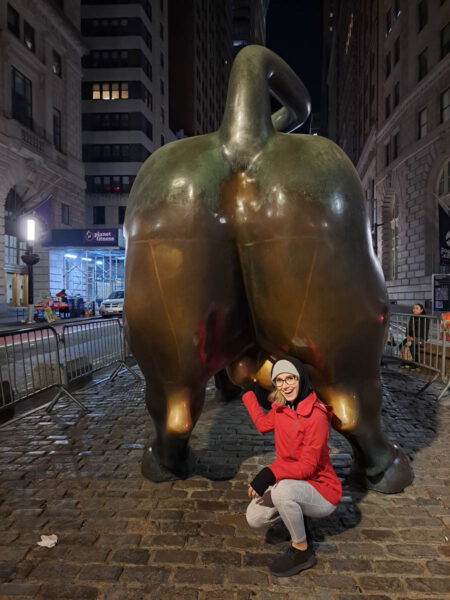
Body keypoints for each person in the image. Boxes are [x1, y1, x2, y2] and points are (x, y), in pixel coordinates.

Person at [241, 356, 342, 577]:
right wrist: (248, 393)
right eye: (279, 380)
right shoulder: (280, 409)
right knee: (254, 517)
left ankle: (301, 550)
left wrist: (270, 473)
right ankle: (295, 517)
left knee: (283, 490)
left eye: (290, 378)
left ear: (301, 379)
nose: (285, 385)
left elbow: (307, 467)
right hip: (290, 483)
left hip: (321, 490)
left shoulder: (316, 415)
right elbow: (261, 424)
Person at [399, 303, 429, 369]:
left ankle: (414, 364)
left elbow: (422, 331)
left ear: (421, 310)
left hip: (420, 339)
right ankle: (406, 362)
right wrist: (408, 336)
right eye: (414, 308)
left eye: (416, 308)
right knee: (401, 345)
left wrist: (413, 338)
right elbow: (408, 328)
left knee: (412, 347)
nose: (414, 310)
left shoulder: (424, 318)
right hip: (411, 338)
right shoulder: (412, 317)